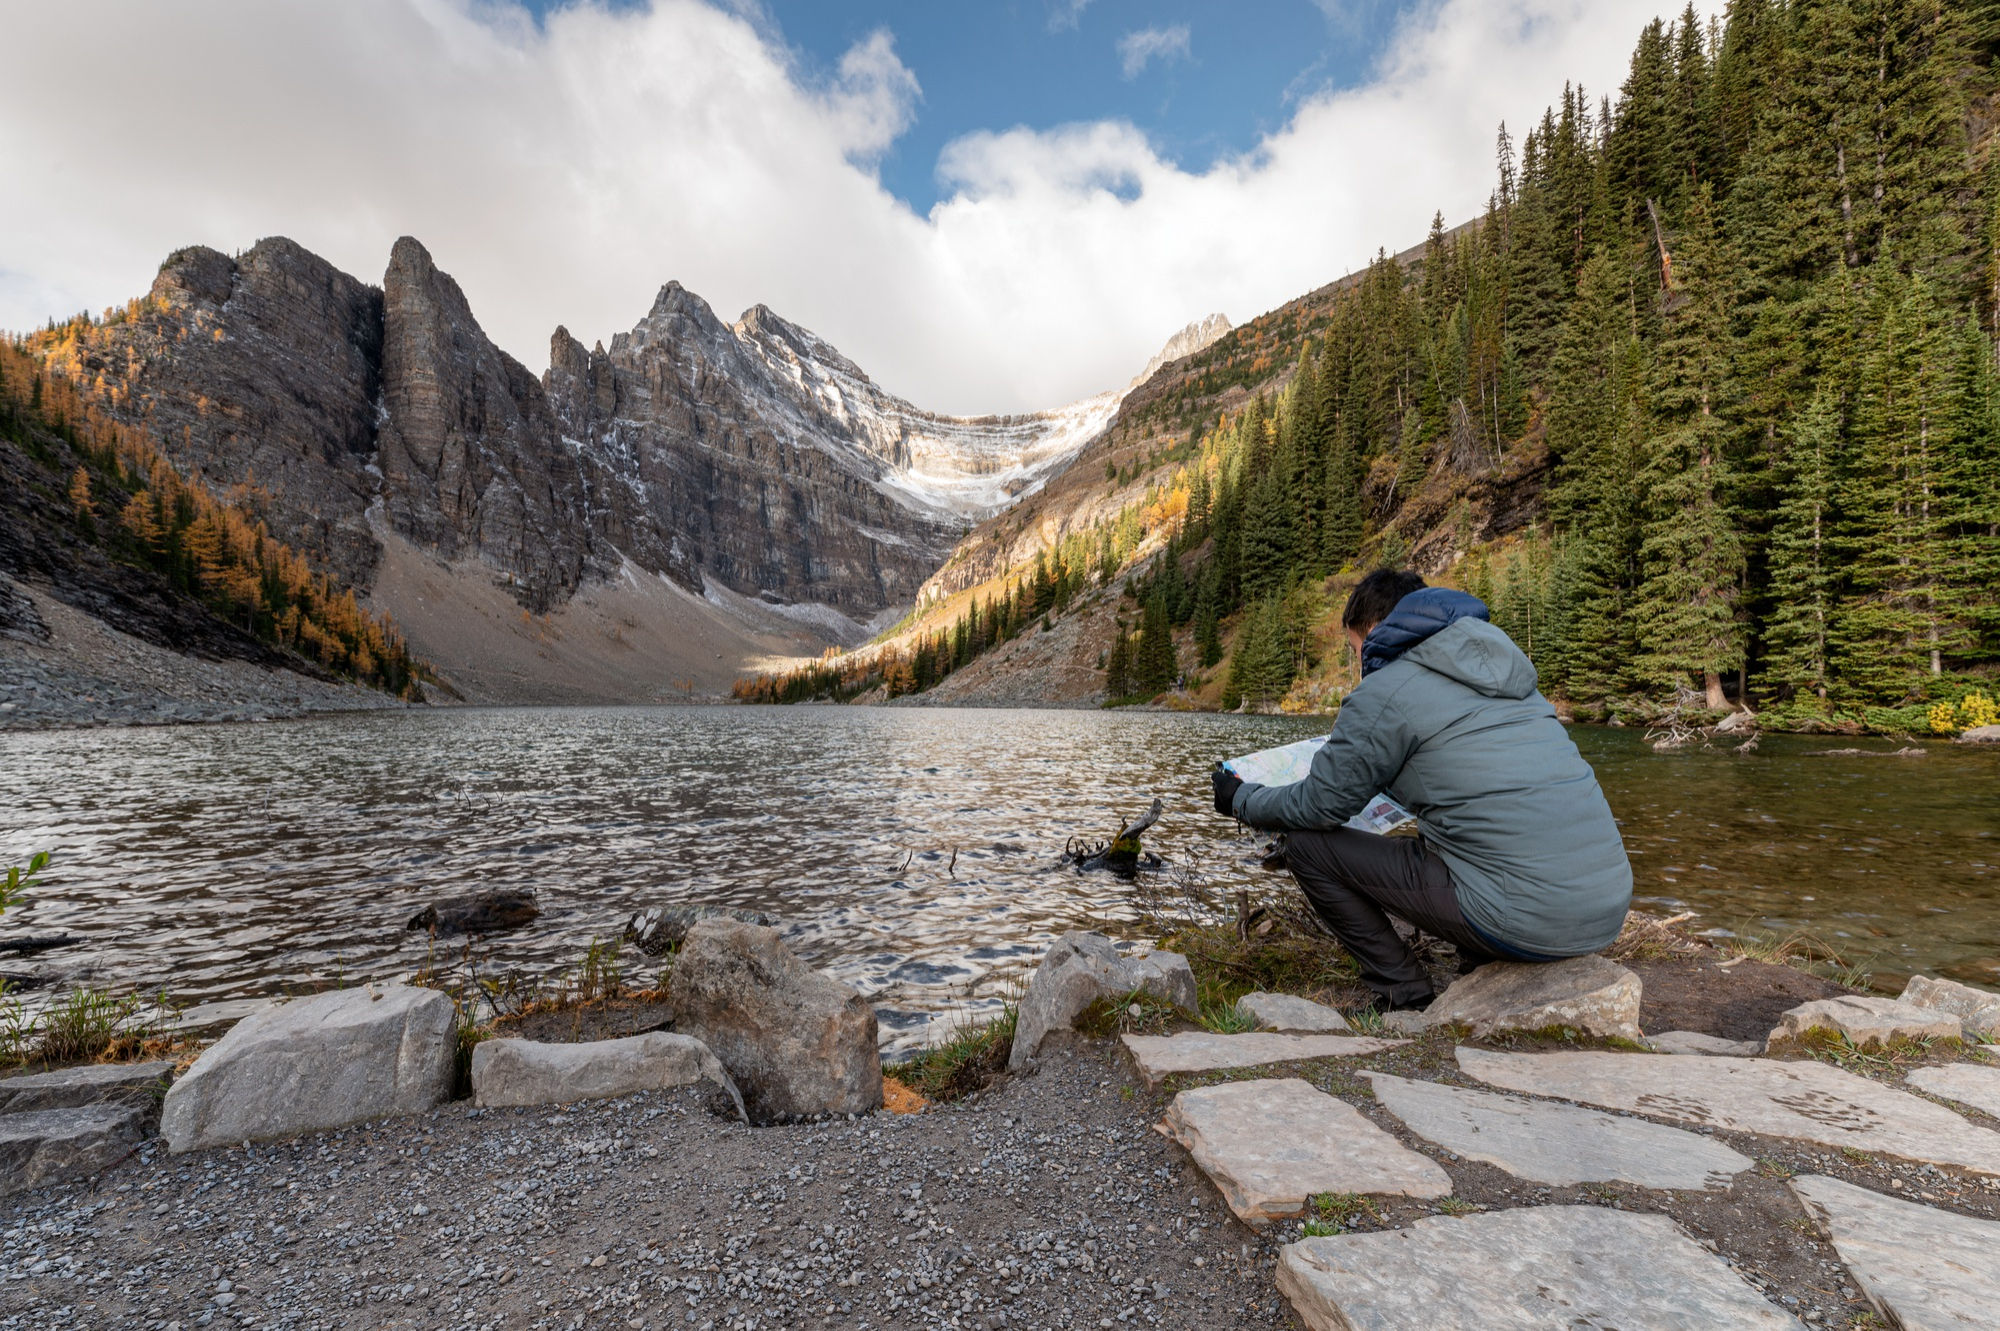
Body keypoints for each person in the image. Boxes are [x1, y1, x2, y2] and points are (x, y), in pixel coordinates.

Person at [1210, 568, 1632, 1013]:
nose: (1359, 665)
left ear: (1374, 631)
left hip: (1529, 920)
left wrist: (1241, 799)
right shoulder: (1506, 674)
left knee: (1307, 845)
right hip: (1604, 909)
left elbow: (1320, 804)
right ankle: (1480, 955)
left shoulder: (1387, 690)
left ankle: (1403, 993)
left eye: (1356, 649)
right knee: (1469, 827)